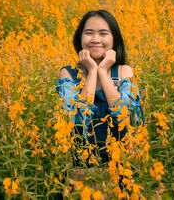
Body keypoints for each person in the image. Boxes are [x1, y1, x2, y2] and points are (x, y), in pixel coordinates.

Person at [56, 10, 143, 165]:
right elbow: (78, 119)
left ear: (114, 39)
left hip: (122, 167)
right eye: (89, 33)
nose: (95, 39)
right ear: (79, 38)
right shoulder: (67, 74)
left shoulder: (124, 72)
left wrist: (102, 71)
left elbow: (123, 116)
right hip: (80, 167)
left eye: (103, 33)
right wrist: (92, 72)